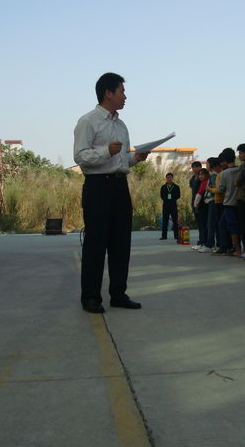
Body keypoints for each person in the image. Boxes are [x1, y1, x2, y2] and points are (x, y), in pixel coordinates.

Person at [73, 72, 148, 314]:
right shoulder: (88, 121)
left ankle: (118, 293)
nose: (125, 97)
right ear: (108, 93)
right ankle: (91, 297)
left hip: (119, 186)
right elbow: (80, 156)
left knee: (121, 243)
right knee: (95, 243)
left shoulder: (121, 125)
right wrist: (106, 151)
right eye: (122, 92)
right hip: (97, 187)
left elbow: (122, 160)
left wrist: (136, 158)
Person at [217, 148, 241, 256]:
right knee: (239, 226)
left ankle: (236, 249)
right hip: (240, 202)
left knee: (231, 227)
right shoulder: (240, 169)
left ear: (225, 160)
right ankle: (236, 248)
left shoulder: (224, 173)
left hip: (229, 203)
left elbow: (221, 188)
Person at [159, 172, 180, 240]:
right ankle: (164, 236)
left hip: (173, 205)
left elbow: (178, 195)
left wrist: (173, 199)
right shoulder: (163, 187)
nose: (169, 179)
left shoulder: (176, 187)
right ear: (166, 178)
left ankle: (176, 235)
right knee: (165, 221)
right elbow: (161, 195)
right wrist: (166, 200)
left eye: (170, 177)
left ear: (172, 178)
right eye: (167, 178)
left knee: (175, 221)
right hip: (166, 205)